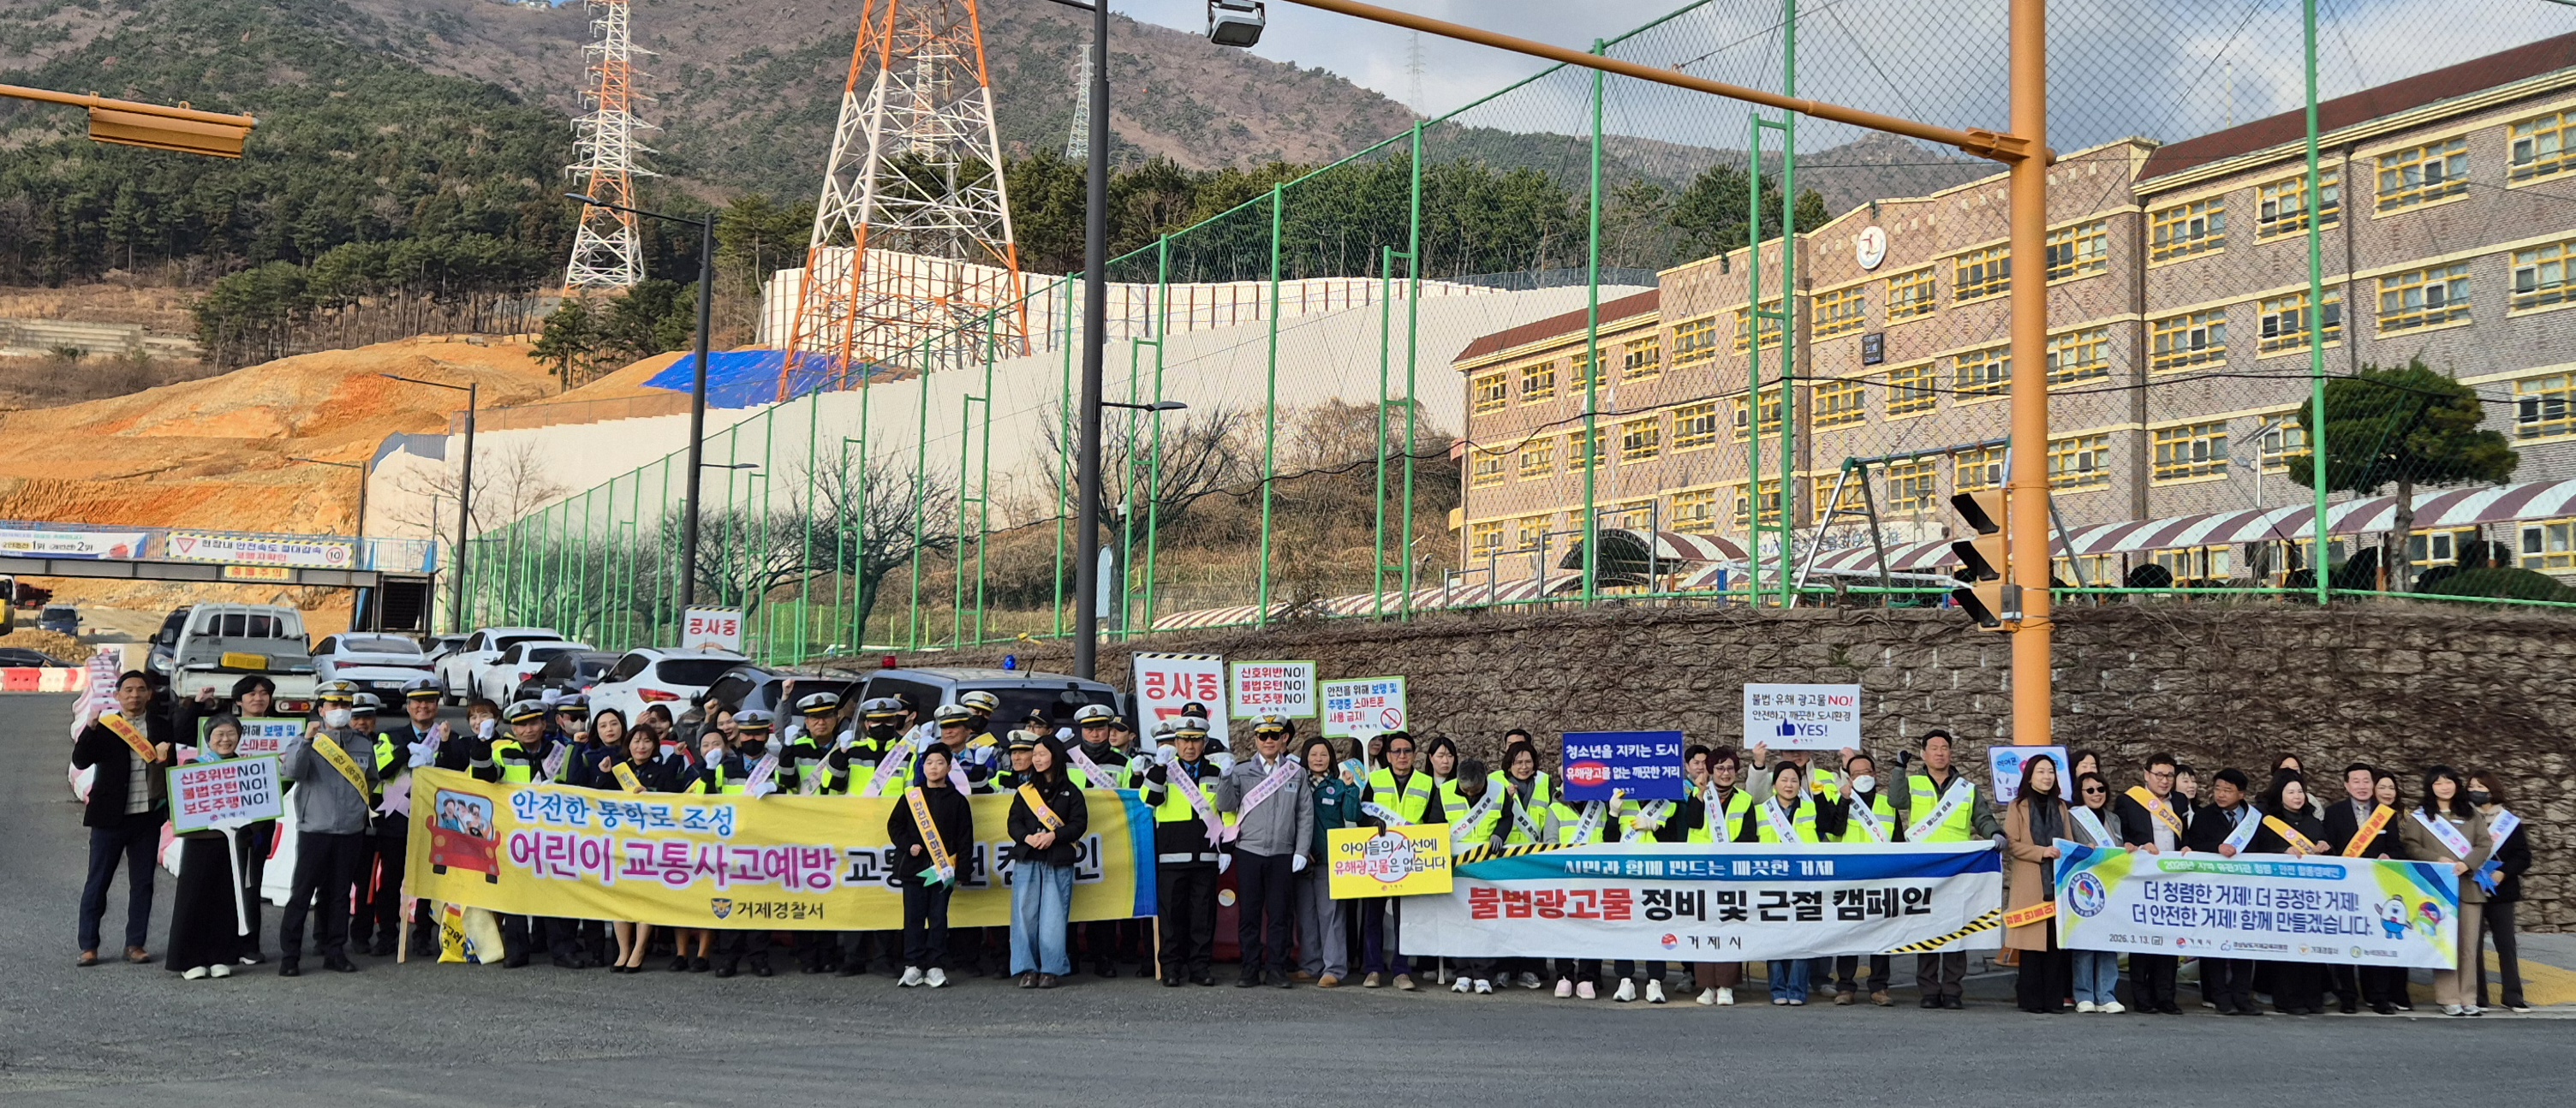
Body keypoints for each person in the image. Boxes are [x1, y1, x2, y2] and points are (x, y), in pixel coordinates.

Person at [1887, 729, 2000, 1009]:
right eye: (1933, 748)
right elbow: (1895, 801)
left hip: (1959, 867)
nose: (1939, 752)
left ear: (1951, 753)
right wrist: (1899, 769)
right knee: (1926, 928)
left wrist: (1994, 833)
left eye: (1944, 748)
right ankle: (1928, 990)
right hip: (1924, 866)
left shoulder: (1967, 788)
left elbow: (1982, 817)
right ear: (1924, 754)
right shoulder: (1913, 783)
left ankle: (1952, 990)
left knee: (1956, 928)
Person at [277, 681, 379, 977]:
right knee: (302, 893)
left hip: (349, 830)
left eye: (345, 705)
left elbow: (369, 779)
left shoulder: (362, 743)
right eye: (334, 705)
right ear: (321, 710)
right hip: (316, 828)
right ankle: (290, 955)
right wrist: (308, 741)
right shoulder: (305, 740)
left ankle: (335, 950)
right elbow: (293, 772)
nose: (340, 711)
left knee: (339, 894)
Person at [73, 671, 173, 968]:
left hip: (147, 817)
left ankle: (135, 944)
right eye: (128, 690)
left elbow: (173, 769)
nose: (134, 695)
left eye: (141, 690)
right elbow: (80, 760)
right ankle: (89, 946)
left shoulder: (160, 726)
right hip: (109, 818)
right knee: (98, 882)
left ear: (149, 695)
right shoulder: (106, 727)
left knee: (142, 884)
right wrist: (89, 728)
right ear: (117, 695)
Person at [1219, 714, 1314, 989]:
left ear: (1284, 738)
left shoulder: (1297, 773)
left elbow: (1305, 815)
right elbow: (1226, 806)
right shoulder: (1240, 771)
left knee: (1280, 915)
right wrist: (1225, 777)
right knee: (1249, 914)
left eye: (1275, 735)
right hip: (1249, 850)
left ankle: (1277, 969)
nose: (1269, 741)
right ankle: (1249, 968)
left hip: (1283, 853)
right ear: (1256, 739)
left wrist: (1301, 850)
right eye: (1263, 736)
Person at [2400, 765, 2494, 1016]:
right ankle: (2448, 996)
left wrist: (2468, 863)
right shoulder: (2421, 817)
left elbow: (2484, 844)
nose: (2445, 787)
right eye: (2439, 783)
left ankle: (2468, 997)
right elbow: (2410, 846)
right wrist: (2436, 858)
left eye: (2449, 782)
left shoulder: (2472, 814)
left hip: (2469, 886)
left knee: (2468, 946)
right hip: (2438, 889)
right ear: (2431, 787)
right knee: (2445, 944)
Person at [1140, 716, 1227, 986]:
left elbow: (1228, 811)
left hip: (1207, 854)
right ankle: (1171, 969)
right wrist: (1159, 767)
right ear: (1176, 742)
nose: (1190, 746)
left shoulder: (1216, 770)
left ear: (1204, 742)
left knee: (1203, 917)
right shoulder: (1164, 769)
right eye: (1185, 740)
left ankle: (1200, 968)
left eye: (1196, 740)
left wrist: (1227, 848)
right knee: (1171, 916)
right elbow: (1149, 799)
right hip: (1171, 855)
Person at [362, 677, 445, 958]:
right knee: (391, 880)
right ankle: (387, 934)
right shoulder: (391, 736)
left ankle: (423, 934)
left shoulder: (448, 738)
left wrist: (441, 751)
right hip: (395, 821)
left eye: (429, 702)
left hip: (434, 823)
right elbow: (381, 769)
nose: (423, 707)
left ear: (437, 706)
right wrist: (407, 751)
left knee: (428, 880)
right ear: (408, 707)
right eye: (417, 702)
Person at [166, 714, 251, 980]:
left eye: (231, 734)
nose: (225, 740)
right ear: (209, 739)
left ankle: (220, 956)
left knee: (226, 899)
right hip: (200, 841)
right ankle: (189, 960)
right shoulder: (195, 765)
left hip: (233, 843)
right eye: (219, 735)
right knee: (194, 898)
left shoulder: (247, 766)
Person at [1362, 730, 1444, 991]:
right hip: (1378, 859)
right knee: (1372, 917)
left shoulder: (1427, 783)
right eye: (1396, 751)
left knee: (1404, 920)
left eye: (1407, 751)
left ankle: (1401, 971)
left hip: (1411, 859)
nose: (1402, 756)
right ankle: (1373, 969)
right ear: (1387, 756)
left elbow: (1435, 819)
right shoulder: (1374, 780)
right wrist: (1373, 823)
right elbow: (1361, 814)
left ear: (1415, 755)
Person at [2112, 751, 2189, 1015]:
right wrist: (2137, 845)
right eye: (2159, 775)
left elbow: (2188, 834)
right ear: (2147, 775)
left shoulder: (2180, 801)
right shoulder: (2129, 800)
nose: (2165, 781)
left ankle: (2166, 996)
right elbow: (2121, 835)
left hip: (2173, 877)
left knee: (2169, 938)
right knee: (2143, 939)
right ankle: (2142, 998)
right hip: (2143, 877)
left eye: (2170, 775)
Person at [1739, 760, 1822, 1004]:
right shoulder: (1759, 811)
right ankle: (1777, 988)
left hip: (1803, 882)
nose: (1789, 785)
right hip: (1770, 882)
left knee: (1802, 936)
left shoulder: (1811, 808)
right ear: (1774, 784)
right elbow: (1747, 844)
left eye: (1794, 780)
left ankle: (1797, 989)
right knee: (1773, 937)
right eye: (1784, 780)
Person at [1008, 736, 1088, 989]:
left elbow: (1079, 824)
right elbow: (1013, 822)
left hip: (1057, 859)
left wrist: (1055, 835)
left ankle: (1051, 969)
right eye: (1035, 755)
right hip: (1028, 857)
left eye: (1043, 754)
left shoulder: (1071, 791)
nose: (1037, 759)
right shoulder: (1025, 792)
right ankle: (1027, 968)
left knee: (1054, 916)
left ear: (1055, 756)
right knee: (1024, 915)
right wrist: (1026, 837)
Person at [890, 745, 973, 988]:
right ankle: (913, 965)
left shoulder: (957, 800)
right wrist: (909, 845)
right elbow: (895, 826)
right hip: (913, 869)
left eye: (939, 763)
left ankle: (935, 966)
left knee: (938, 918)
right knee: (913, 918)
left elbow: (965, 837)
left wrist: (963, 871)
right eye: (929, 763)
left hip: (943, 870)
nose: (933, 768)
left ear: (948, 768)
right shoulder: (911, 796)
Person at [2251, 771, 2330, 1015]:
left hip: (2311, 897)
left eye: (2300, 792)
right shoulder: (2269, 821)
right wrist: (2281, 852)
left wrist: (2326, 848)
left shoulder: (2313, 822)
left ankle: (2312, 998)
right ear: (2280, 795)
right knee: (2286, 949)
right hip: (2281, 896)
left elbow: (2327, 852)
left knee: (2311, 946)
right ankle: (2288, 999)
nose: (2297, 797)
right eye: (2291, 792)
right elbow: (2258, 851)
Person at [2185, 767, 2261, 1015]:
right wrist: (2216, 847)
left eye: (2227, 790)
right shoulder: (2205, 816)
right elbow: (2194, 843)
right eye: (2217, 788)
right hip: (2214, 890)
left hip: (2246, 891)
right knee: (2213, 943)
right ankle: (2220, 996)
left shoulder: (2255, 819)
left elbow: (2265, 848)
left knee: (2244, 945)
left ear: (2241, 794)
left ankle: (2241, 996)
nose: (2221, 794)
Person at [1827, 750, 1899, 1006]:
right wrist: (1845, 800)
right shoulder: (1841, 800)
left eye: (1866, 772)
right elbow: (1834, 831)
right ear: (1849, 777)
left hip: (1881, 877)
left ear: (1875, 774)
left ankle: (1879, 987)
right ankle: (1845, 987)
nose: (1862, 777)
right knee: (1849, 932)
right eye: (1856, 774)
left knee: (1882, 934)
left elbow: (1899, 841)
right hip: (1850, 877)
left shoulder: (1887, 804)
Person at [602, 724, 675, 973]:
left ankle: (639, 948)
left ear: (655, 745)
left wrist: (651, 796)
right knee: (619, 897)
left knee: (644, 898)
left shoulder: (662, 771)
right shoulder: (619, 770)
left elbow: (674, 802)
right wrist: (603, 775)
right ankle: (623, 950)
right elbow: (599, 800)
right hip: (621, 842)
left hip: (650, 844)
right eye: (636, 741)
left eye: (646, 741)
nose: (641, 746)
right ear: (628, 744)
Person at [2004, 753, 2070, 1014]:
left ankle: (2054, 1000)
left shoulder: (2062, 806)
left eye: (2051, 772)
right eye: (2041, 771)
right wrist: (2041, 852)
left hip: (2057, 883)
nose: (2046, 776)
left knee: (2055, 945)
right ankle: (2031, 1000)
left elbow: (2067, 841)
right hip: (2031, 882)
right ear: (2030, 776)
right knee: (2032, 947)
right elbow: (2012, 843)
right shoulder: (2018, 805)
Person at [2320, 761, 2388, 1013]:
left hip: (2376, 889)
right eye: (2356, 781)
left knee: (2376, 941)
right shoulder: (2334, 813)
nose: (2362, 786)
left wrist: (2389, 855)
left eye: (2366, 781)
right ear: (2346, 785)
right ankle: (2347, 995)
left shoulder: (2384, 814)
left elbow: (2396, 847)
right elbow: (2328, 847)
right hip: (2345, 889)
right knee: (2345, 942)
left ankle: (2378, 996)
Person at [1297, 735, 1360, 988]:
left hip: (1329, 859)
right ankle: (1310, 965)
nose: (1318, 759)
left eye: (1323, 755)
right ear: (1306, 758)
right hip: (1300, 859)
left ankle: (1334, 968)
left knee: (1331, 914)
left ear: (1331, 758)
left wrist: (1352, 788)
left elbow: (1352, 815)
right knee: (1306, 914)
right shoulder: (1296, 783)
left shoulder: (1339, 785)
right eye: (1313, 755)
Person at [2466, 769, 2531, 1014]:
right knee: (2473, 946)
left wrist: (2503, 872)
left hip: (2501, 891)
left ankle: (2513, 996)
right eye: (2472, 786)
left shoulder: (2509, 822)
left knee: (2506, 944)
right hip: (2471, 888)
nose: (2476, 791)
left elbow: (2523, 856)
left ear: (2492, 790)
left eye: (2481, 787)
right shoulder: (2463, 820)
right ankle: (2478, 996)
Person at [1694, 748, 1755, 1005]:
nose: (1725, 773)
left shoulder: (1745, 800)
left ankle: (1727, 986)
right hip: (1700, 871)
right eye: (1719, 768)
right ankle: (1707, 985)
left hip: (1732, 873)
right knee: (1703, 926)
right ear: (1710, 771)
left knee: (1731, 924)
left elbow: (1750, 837)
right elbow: (1692, 824)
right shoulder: (1697, 796)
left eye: (1730, 768)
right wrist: (1698, 795)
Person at [2067, 771, 2127, 1013]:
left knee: (2108, 939)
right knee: (2085, 940)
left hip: (2110, 884)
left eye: (2100, 789)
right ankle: (2084, 994)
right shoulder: (2072, 817)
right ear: (2080, 793)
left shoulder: (2113, 819)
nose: (2096, 794)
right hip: (2083, 884)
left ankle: (2107, 994)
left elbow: (2119, 848)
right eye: (2090, 790)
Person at [1445, 760, 1506, 995]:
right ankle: (1462, 973)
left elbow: (1507, 817)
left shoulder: (1497, 791)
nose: (1470, 793)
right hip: (1456, 867)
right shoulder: (1444, 792)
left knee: (1485, 921)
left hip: (1486, 865)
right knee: (1458, 922)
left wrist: (1500, 834)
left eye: (1475, 790)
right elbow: (1435, 823)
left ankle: (1483, 974)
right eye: (1466, 789)